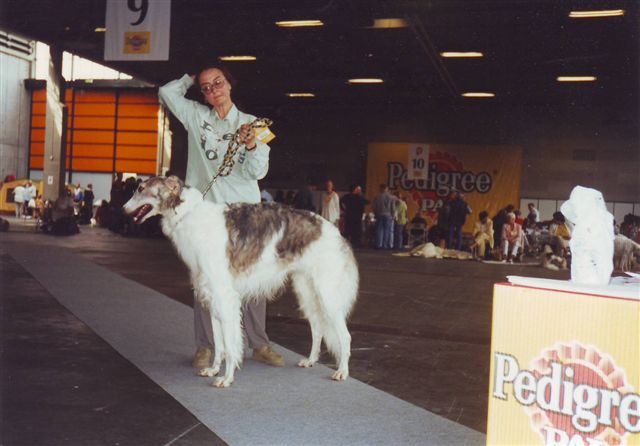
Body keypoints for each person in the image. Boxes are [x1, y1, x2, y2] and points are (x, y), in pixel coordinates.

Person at [159, 64, 283, 369]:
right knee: (205, 278)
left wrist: (251, 145)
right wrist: (189, 78)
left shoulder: (255, 124)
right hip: (207, 215)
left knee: (253, 276)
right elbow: (166, 92)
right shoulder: (195, 116)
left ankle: (259, 343)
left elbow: (258, 172)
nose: (213, 90)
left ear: (230, 84)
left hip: (246, 214)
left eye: (218, 82)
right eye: (206, 87)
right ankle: (206, 346)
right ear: (202, 94)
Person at [372, 184, 396, 249]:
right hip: (388, 215)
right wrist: (393, 215)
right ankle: (385, 245)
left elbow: (374, 207)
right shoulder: (391, 197)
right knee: (387, 230)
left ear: (381, 188)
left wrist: (375, 214)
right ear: (387, 189)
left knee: (379, 230)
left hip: (379, 214)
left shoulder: (377, 197)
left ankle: (379, 244)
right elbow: (393, 208)